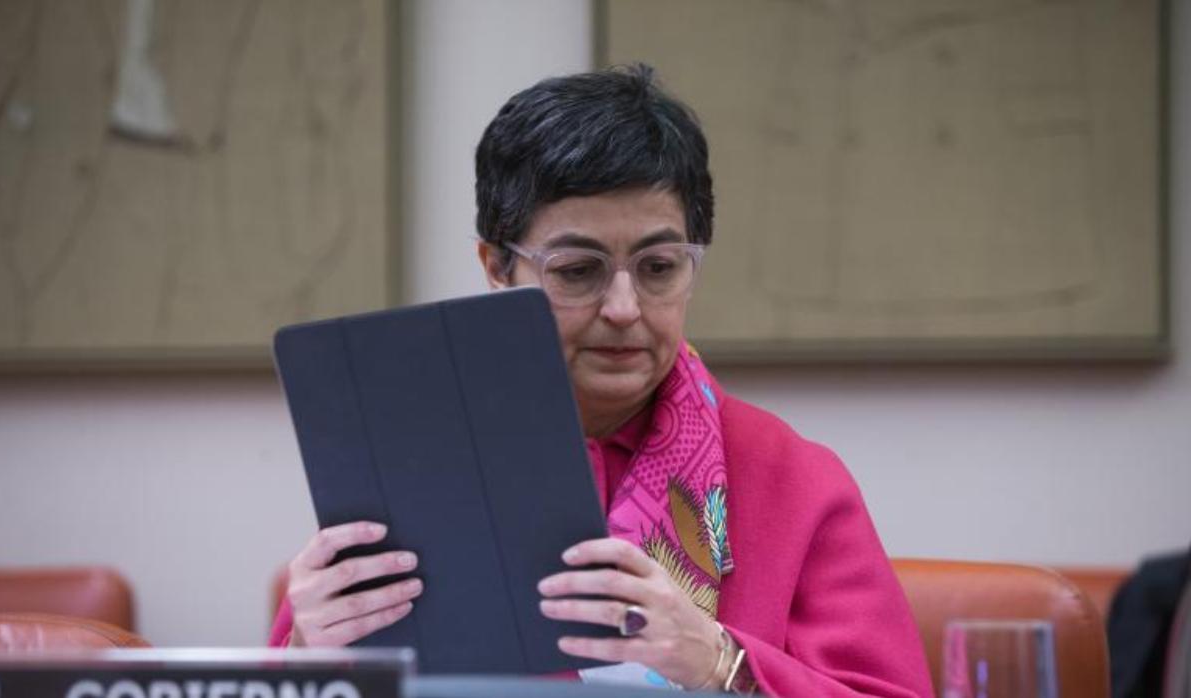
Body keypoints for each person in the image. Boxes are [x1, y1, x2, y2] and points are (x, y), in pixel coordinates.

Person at [270, 64, 934, 697]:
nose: (624, 309)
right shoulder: (411, 464)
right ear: (498, 267)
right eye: (578, 271)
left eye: (659, 267)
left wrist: (717, 659)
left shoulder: (794, 479)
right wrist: (306, 653)